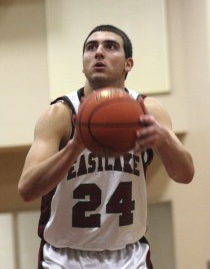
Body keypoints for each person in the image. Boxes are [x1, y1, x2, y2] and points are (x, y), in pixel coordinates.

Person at [18, 24, 194, 269]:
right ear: (83, 63)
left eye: (110, 46)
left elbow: (185, 174)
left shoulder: (147, 110)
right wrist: (75, 146)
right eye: (91, 47)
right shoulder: (60, 113)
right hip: (64, 257)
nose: (98, 52)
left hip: (128, 257)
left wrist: (163, 140)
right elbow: (26, 189)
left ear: (128, 64)